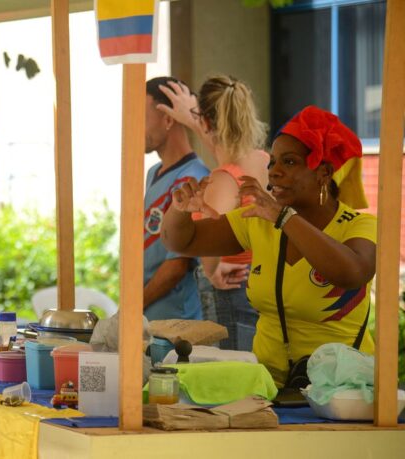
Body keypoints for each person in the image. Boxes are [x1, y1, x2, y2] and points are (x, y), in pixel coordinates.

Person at [161, 105, 375, 386]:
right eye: (272, 162)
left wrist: (285, 218)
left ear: (323, 172)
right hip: (271, 389)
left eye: (289, 162)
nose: (273, 172)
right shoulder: (259, 221)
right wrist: (180, 210)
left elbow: (352, 273)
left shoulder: (358, 225)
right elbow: (182, 240)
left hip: (341, 392)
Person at [157, 75, 270, 351]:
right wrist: (193, 118)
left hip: (230, 293)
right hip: (260, 284)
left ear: (206, 122)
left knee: (232, 379)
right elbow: (223, 146)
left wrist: (212, 269)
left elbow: (210, 233)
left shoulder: (223, 180)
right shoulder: (262, 160)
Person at [142, 77, 210, 321]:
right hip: (150, 319)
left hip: (176, 325)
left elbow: (176, 266)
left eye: (141, 117)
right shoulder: (154, 172)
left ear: (169, 119)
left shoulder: (193, 178)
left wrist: (134, 305)